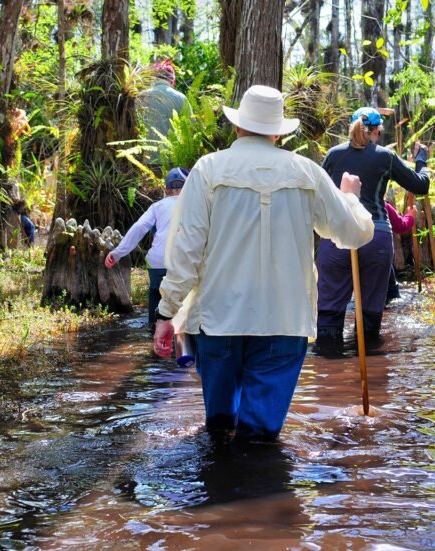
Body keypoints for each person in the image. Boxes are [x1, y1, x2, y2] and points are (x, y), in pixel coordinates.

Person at [153, 85, 374, 442]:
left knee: (219, 431)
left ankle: (220, 489)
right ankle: (259, 486)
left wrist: (166, 314)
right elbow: (353, 233)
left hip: (217, 321)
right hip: (284, 323)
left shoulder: (208, 169)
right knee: (260, 440)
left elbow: (186, 252)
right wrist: (349, 198)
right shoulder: (307, 172)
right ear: (277, 132)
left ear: (238, 126)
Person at [316, 107, 430, 349]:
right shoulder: (384, 157)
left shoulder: (333, 155)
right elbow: (421, 186)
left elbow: (317, 195)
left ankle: (329, 378)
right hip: (375, 238)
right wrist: (422, 161)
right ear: (378, 130)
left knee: (328, 315)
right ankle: (367, 366)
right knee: (369, 320)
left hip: (336, 237)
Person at [105, 167, 190, 327]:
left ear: (166, 189)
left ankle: (153, 331)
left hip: (158, 262)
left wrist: (117, 253)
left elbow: (139, 228)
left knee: (156, 295)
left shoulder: (157, 207)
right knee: (184, 302)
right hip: (183, 262)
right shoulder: (195, 205)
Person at [138, 60, 191, 165]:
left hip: (144, 160)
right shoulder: (181, 98)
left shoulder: (141, 96)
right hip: (173, 161)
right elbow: (191, 128)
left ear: (154, 78)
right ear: (173, 80)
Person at [385, 201, 419, 304]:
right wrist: (410, 216)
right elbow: (400, 226)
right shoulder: (383, 205)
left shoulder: (349, 202)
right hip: (380, 254)